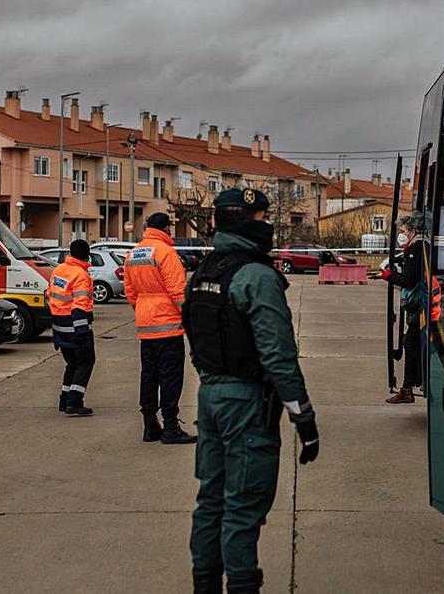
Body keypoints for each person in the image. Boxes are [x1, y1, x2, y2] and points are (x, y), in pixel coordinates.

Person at [184, 188, 319, 594]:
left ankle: (204, 584)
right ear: (246, 221)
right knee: (243, 506)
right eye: (262, 219)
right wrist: (304, 418)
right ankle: (243, 585)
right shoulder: (256, 276)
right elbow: (279, 357)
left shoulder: (205, 271)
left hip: (210, 395)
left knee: (211, 499)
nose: (267, 227)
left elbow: (193, 331)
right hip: (247, 402)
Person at [124, 212, 195, 445]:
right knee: (170, 377)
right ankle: (171, 428)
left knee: (149, 375)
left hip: (146, 324)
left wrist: (144, 308)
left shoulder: (133, 254)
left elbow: (130, 292)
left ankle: (150, 425)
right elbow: (177, 292)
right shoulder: (166, 253)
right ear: (165, 229)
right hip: (168, 325)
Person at [379, 214, 441, 404]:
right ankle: (410, 387)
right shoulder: (424, 245)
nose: (401, 234)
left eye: (403, 231)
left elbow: (409, 280)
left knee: (410, 343)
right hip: (424, 304)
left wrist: (389, 276)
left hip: (421, 305)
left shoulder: (416, 247)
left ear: (413, 231)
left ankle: (410, 389)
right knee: (412, 343)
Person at [49, 239, 96, 417]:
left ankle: (65, 399)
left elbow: (51, 296)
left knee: (72, 363)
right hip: (76, 326)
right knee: (85, 362)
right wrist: (82, 331)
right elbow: (80, 305)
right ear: (86, 254)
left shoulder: (58, 270)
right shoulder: (81, 275)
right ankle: (75, 401)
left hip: (59, 326)